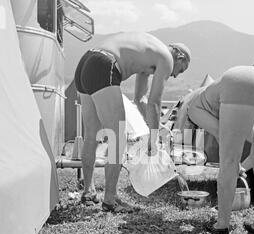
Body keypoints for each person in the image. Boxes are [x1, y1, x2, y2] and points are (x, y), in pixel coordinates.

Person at [74, 32, 191, 212]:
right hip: (105, 65)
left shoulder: (150, 52)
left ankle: (88, 192)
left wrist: (155, 127)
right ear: (180, 56)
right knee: (118, 138)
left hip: (87, 62)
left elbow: (140, 99)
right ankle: (110, 201)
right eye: (181, 70)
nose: (175, 75)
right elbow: (154, 102)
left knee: (91, 135)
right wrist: (153, 139)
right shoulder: (166, 59)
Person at [182, 65, 254, 234]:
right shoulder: (214, 93)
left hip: (242, 82)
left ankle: (221, 226)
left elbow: (222, 136)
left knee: (228, 163)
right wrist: (244, 166)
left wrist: (237, 166)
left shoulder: (193, 109)